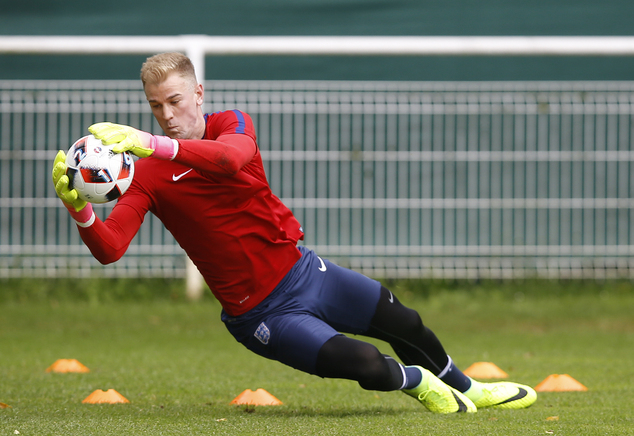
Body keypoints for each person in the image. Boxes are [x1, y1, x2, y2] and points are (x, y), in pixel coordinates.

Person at [51, 52, 536, 414]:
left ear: (198, 94)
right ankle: (419, 383)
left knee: (404, 321)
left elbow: (230, 159)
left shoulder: (229, 125)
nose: (168, 115)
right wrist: (81, 211)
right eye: (156, 107)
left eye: (175, 101)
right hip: (260, 314)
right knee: (367, 363)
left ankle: (471, 388)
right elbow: (111, 249)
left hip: (305, 272)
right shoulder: (146, 173)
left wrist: (150, 143)